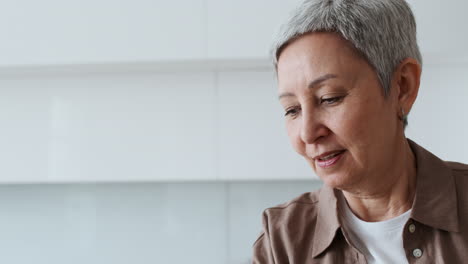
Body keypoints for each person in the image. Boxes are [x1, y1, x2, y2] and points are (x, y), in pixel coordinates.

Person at [252, 0, 468, 263]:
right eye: (292, 110)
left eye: (329, 98)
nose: (308, 134)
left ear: (402, 86)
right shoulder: (282, 240)